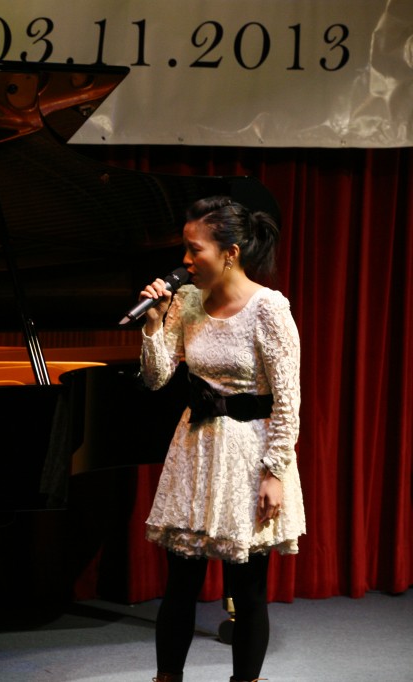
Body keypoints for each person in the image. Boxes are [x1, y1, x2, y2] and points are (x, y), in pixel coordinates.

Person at [135, 196, 305, 682]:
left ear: (230, 253)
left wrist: (275, 473)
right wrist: (153, 323)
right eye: (185, 249)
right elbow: (156, 378)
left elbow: (288, 400)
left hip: (249, 455)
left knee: (247, 590)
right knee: (180, 585)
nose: (186, 260)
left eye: (195, 249)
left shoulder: (269, 308)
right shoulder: (187, 301)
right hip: (195, 449)